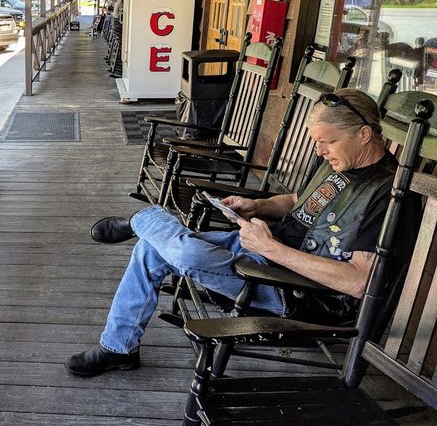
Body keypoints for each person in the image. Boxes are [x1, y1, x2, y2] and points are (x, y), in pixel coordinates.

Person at [67, 89, 407, 377]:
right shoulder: (341, 161)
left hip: (296, 290)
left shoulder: (386, 195)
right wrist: (257, 207)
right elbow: (298, 201)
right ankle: (119, 348)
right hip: (265, 254)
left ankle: (145, 218)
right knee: (151, 251)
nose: (319, 151)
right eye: (317, 142)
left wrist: (271, 249)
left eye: (327, 142)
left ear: (363, 134)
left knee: (181, 253)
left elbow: (358, 282)